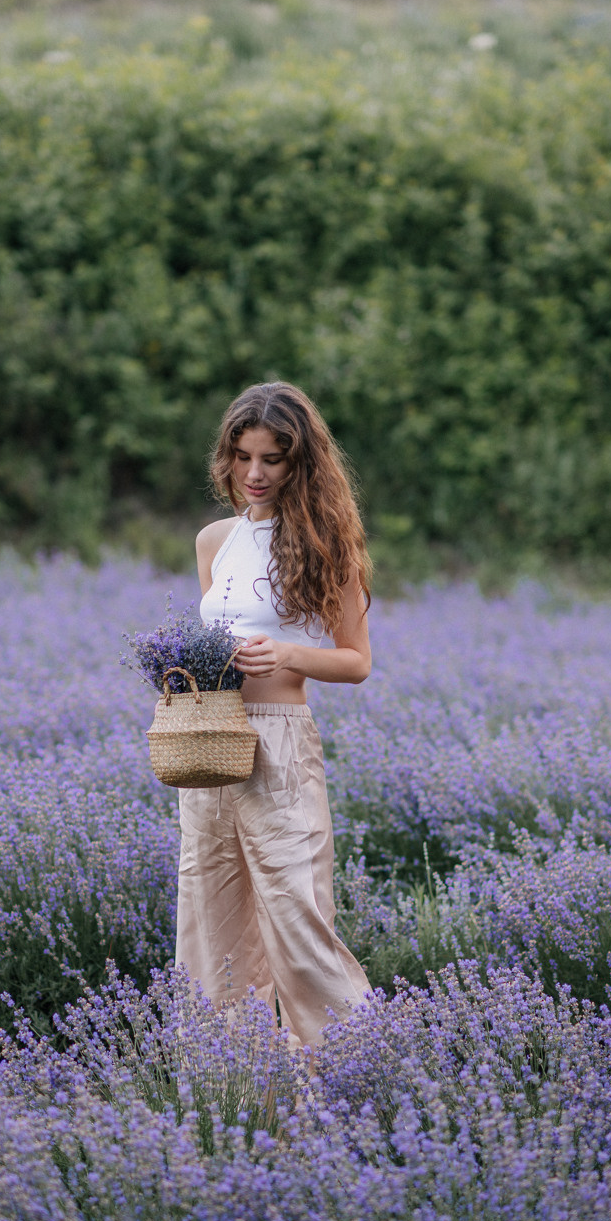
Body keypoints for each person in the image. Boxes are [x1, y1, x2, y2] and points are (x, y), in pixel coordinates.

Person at [175, 380, 372, 1050]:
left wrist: (289, 652)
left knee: (299, 923)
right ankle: (238, 1089)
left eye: (272, 459)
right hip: (211, 746)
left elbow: (355, 660)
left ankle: (359, 1074)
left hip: (281, 747)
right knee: (212, 925)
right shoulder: (213, 542)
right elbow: (212, 640)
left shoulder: (325, 544)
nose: (254, 474)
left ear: (300, 464)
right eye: (242, 455)